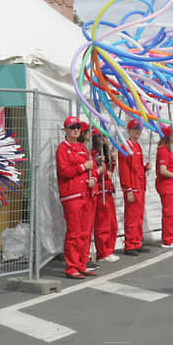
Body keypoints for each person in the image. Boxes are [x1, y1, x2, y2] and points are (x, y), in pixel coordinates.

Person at [56, 117, 95, 279]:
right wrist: (83, 167)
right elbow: (64, 171)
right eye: (72, 127)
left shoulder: (82, 148)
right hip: (72, 195)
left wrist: (92, 179)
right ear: (65, 130)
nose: (75, 130)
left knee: (85, 232)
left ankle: (81, 263)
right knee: (74, 232)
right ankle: (72, 267)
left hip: (85, 193)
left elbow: (89, 170)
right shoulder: (62, 149)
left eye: (77, 127)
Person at [118, 120, 150, 255]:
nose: (138, 132)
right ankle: (130, 244)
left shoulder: (138, 147)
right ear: (129, 130)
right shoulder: (125, 147)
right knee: (131, 217)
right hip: (132, 188)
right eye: (135, 129)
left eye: (140, 129)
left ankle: (137, 241)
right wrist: (128, 189)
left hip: (140, 187)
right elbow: (124, 171)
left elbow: (137, 169)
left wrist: (145, 169)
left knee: (139, 217)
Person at [90, 129, 119, 263]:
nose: (103, 140)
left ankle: (109, 249)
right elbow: (102, 173)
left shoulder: (105, 153)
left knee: (112, 222)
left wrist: (113, 160)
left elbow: (110, 172)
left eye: (105, 137)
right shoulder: (95, 153)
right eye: (99, 137)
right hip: (101, 191)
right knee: (103, 223)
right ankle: (103, 251)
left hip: (108, 190)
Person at [78, 122, 101, 272]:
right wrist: (97, 171)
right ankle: (81, 259)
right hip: (81, 193)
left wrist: (95, 174)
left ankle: (84, 257)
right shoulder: (80, 150)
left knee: (87, 228)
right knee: (81, 230)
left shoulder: (84, 150)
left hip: (90, 192)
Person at [154, 125, 173, 249]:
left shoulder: (167, 150)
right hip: (167, 184)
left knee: (171, 212)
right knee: (169, 213)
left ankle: (170, 237)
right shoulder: (163, 150)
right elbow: (163, 170)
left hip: (170, 184)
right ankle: (168, 239)